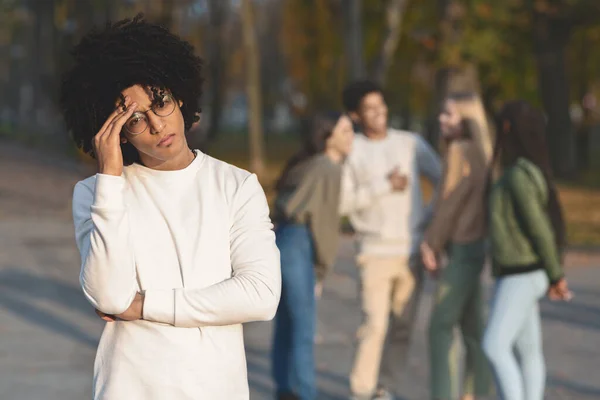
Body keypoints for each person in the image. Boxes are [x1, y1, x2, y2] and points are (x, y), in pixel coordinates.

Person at [62, 16, 281, 399]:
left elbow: (261, 295)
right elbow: (110, 296)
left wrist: (146, 304)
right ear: (113, 131)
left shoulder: (236, 185)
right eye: (133, 120)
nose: (157, 125)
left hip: (216, 388)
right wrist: (111, 176)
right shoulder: (96, 193)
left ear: (179, 95)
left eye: (160, 102)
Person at [340, 80, 442, 400]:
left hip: (411, 251)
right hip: (373, 252)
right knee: (374, 325)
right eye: (369, 108)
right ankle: (362, 390)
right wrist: (385, 186)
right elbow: (343, 203)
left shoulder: (410, 143)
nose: (378, 113)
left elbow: (443, 177)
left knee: (402, 328)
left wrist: (427, 217)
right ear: (355, 115)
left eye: (381, 105)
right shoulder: (352, 149)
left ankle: (387, 388)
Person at [482, 100, 572, 400]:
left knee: (493, 345)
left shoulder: (519, 176)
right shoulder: (529, 170)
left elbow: (539, 228)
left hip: (521, 272)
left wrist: (556, 275)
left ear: (507, 129)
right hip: (524, 272)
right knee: (529, 350)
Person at [270, 112, 354, 400]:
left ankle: (284, 389)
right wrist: (322, 268)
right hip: (299, 243)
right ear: (328, 137)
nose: (350, 136)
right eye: (344, 131)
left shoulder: (308, 163)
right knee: (304, 330)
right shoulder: (328, 167)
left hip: (281, 240)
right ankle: (306, 394)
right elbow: (325, 225)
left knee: (285, 325)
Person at [420, 93, 494, 400]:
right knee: (475, 331)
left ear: (466, 120)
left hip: (461, 248)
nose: (441, 120)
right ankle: (474, 392)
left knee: (438, 328)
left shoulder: (458, 151)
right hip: (476, 246)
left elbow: (448, 205)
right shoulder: (482, 151)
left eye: (448, 115)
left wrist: (430, 243)